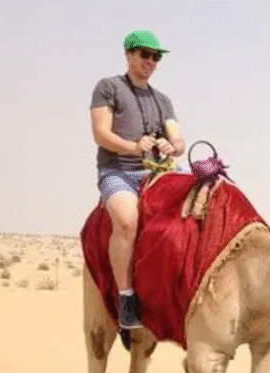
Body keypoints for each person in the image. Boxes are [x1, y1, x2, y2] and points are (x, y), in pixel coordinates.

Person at [89, 30, 186, 329]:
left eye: (156, 57)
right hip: (118, 172)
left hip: (157, 173)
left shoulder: (163, 101)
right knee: (128, 220)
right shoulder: (108, 88)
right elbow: (100, 134)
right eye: (144, 54)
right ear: (128, 54)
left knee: (198, 208)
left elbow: (178, 139)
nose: (151, 61)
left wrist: (174, 146)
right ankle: (127, 298)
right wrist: (132, 147)